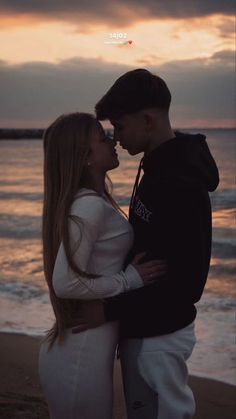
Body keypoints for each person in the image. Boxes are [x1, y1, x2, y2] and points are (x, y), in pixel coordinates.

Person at [91, 69, 219, 419]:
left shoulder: (181, 183)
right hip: (145, 328)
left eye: (119, 126)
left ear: (147, 119)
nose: (115, 137)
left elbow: (188, 280)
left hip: (159, 335)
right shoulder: (155, 168)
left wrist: (110, 311)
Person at [38, 112, 167, 419]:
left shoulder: (90, 201)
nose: (113, 141)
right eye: (102, 137)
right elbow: (65, 283)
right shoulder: (88, 206)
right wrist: (129, 280)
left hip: (83, 348)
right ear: (85, 156)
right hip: (80, 355)